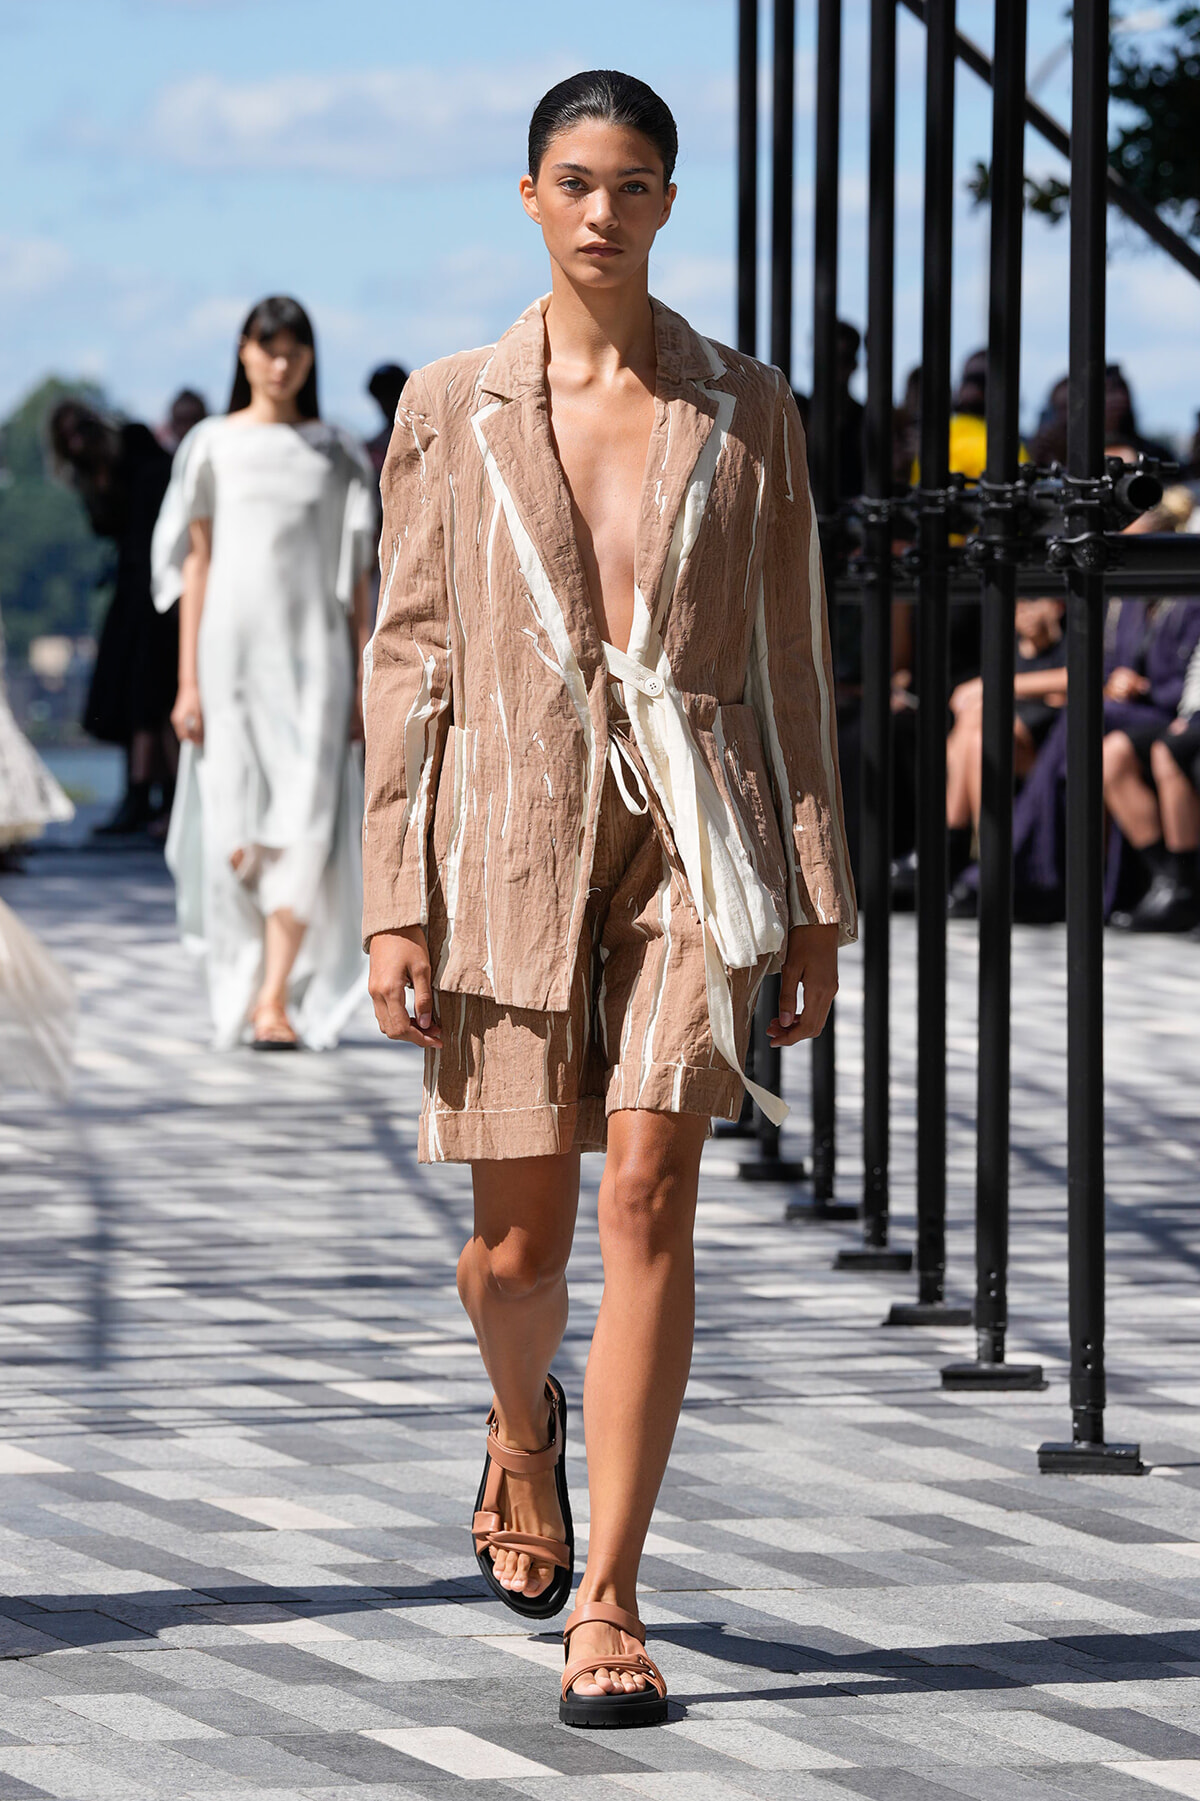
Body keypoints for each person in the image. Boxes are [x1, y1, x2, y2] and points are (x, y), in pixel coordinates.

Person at [363, 70, 855, 1729]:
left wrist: (817, 900)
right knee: (517, 1248)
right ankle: (519, 1429)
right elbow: (411, 662)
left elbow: (793, 661)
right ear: (528, 196)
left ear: (665, 202)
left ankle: (612, 1593)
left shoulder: (746, 406)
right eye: (574, 179)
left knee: (649, 1190)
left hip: (696, 845)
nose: (601, 209)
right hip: (503, 838)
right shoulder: (452, 404)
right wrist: (392, 898)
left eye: (632, 182)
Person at [152, 295, 375, 1049]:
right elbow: (197, 563)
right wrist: (187, 682)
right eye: (268, 346)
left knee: (307, 822)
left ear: (310, 359)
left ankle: (274, 998)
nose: (281, 362)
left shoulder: (337, 451)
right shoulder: (211, 446)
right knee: (234, 828)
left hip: (317, 660)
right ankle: (250, 980)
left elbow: (359, 580)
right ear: (244, 352)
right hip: (230, 658)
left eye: (295, 349)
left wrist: (367, 675)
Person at [49, 400, 177, 836]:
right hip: (132, 586)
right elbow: (108, 527)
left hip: (159, 583)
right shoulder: (93, 477)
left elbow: (163, 491)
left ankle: (160, 797)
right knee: (134, 696)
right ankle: (143, 795)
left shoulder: (135, 444)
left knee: (153, 693)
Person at [945, 599, 1067, 918]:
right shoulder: (1009, 646)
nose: (1024, 611)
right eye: (1018, 603)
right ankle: (973, 851)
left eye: (1034, 601)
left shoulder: (1068, 641)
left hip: (1046, 741)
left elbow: (1079, 678)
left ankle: (955, 845)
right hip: (1005, 737)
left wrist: (995, 686)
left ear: (1057, 605)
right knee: (976, 735)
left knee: (983, 728)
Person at [365, 363, 409, 481]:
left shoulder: (429, 441)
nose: (388, 401)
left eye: (392, 392)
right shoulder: (371, 450)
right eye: (382, 395)